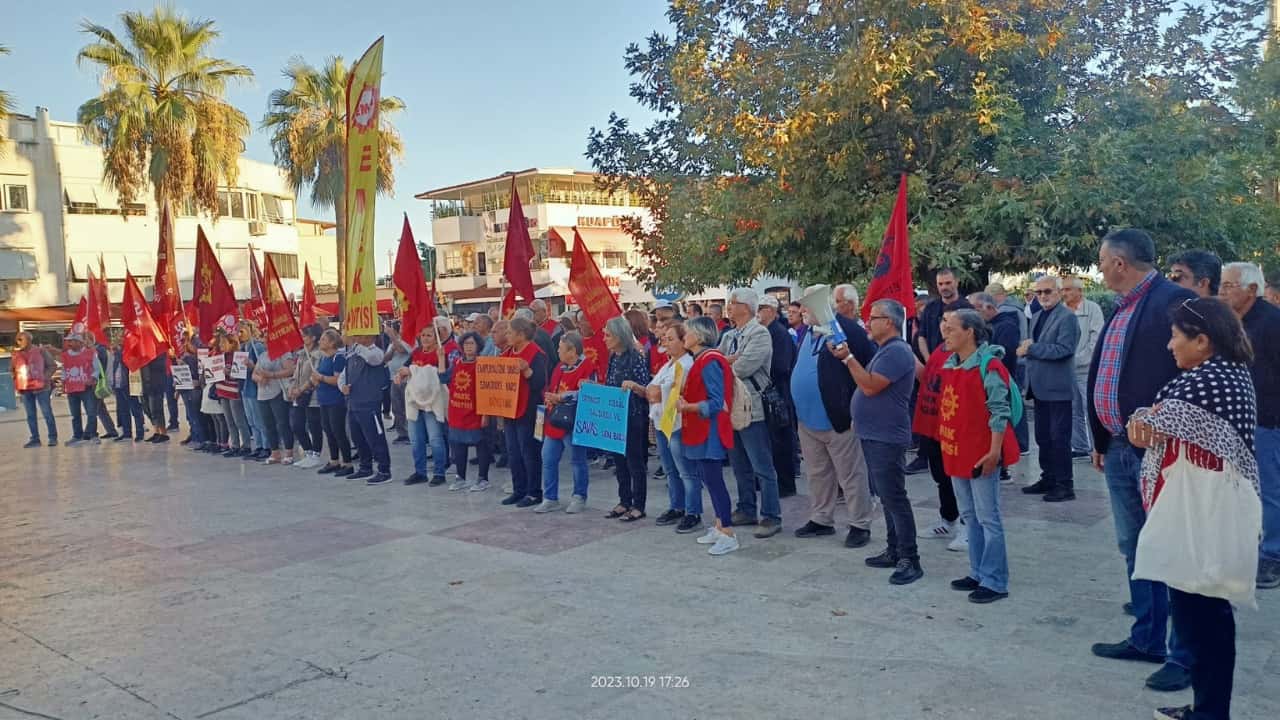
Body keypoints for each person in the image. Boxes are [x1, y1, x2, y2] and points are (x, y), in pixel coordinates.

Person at [1125, 297, 1259, 720]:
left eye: (1175, 336)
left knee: (1204, 616)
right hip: (1203, 505)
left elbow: (1148, 425)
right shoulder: (1222, 372)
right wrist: (1143, 422)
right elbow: (1148, 424)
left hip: (1205, 510)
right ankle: (1207, 707)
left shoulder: (1209, 381)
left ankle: (1211, 712)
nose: (1170, 345)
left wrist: (1142, 421)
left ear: (1202, 340)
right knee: (1201, 614)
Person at [1088, 228, 1196, 693]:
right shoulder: (1122, 306)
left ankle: (1184, 656)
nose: (1099, 270)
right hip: (1118, 446)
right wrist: (1100, 437)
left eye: (1101, 261)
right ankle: (1147, 638)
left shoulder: (1176, 302)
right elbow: (1108, 372)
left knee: (1172, 550)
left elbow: (1197, 370)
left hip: (1161, 451)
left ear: (1119, 263)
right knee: (1135, 547)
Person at [833, 299, 923, 585]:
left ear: (890, 322)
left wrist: (848, 358)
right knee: (887, 496)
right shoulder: (886, 349)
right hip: (874, 433)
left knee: (894, 497)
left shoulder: (896, 351)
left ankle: (910, 558)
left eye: (874, 318)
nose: (868, 322)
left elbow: (871, 386)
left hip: (886, 435)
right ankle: (894, 549)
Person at [939, 309, 1021, 603]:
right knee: (970, 516)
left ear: (969, 332)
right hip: (958, 452)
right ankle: (977, 571)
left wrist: (994, 452)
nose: (945, 333)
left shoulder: (990, 366)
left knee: (988, 518)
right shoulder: (952, 365)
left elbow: (999, 411)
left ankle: (995, 580)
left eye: (951, 328)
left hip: (981, 454)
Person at [791, 284, 877, 549]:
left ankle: (860, 523)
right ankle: (822, 518)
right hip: (808, 419)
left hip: (838, 418)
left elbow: (867, 368)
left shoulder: (849, 330)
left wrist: (855, 408)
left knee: (851, 475)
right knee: (817, 473)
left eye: (807, 305)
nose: (802, 311)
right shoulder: (808, 331)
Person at [1218, 261, 1280, 589]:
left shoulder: (1272, 323)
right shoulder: (1232, 322)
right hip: (1236, 421)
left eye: (1229, 286)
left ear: (1252, 290)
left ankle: (1273, 555)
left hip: (1266, 422)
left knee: (1269, 489)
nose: (1221, 291)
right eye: (1222, 285)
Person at [718, 287, 782, 537]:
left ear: (746, 307)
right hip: (731, 406)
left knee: (761, 465)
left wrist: (729, 361)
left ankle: (771, 515)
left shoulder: (760, 333)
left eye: (733, 302)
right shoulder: (729, 335)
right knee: (739, 463)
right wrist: (729, 360)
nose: (729, 306)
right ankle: (746, 508)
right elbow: (715, 364)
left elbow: (743, 367)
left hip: (752, 406)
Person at [678, 316, 739, 556]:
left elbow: (717, 401)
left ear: (699, 335)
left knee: (714, 480)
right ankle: (720, 525)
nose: (684, 336)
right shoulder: (702, 359)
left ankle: (728, 532)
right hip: (701, 428)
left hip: (710, 430)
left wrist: (689, 407)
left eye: (687, 332)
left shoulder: (710, 360)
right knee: (708, 478)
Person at [1018, 276, 1080, 502]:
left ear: (1058, 292)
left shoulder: (1067, 317)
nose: (1042, 296)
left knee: (1059, 439)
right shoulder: (1036, 317)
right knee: (1043, 437)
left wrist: (1032, 349)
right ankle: (1048, 478)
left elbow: (1064, 349)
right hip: (1039, 387)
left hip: (1058, 388)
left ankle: (1064, 484)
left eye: (1047, 291)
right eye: (1039, 292)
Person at [970, 291, 1026, 481]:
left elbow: (1006, 355)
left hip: (999, 378)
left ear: (988, 307)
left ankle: (1002, 464)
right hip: (988, 377)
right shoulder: (989, 325)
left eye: (975, 309)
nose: (973, 314)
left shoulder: (1007, 325)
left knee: (1000, 420)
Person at [648, 323, 700, 530]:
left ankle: (693, 512)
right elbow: (651, 389)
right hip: (662, 421)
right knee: (670, 469)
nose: (666, 343)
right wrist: (655, 391)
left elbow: (662, 392)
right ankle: (677, 506)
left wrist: (656, 391)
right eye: (665, 339)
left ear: (683, 342)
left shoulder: (686, 364)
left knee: (686, 470)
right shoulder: (669, 363)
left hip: (677, 423)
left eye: (671, 339)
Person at [538, 332, 596, 513]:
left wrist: (563, 397)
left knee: (577, 460)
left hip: (574, 421)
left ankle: (579, 496)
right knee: (548, 458)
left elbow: (590, 393)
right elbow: (552, 387)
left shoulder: (588, 366)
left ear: (572, 351)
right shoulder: (559, 367)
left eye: (561, 348)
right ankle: (550, 497)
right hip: (555, 420)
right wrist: (550, 397)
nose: (557, 351)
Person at [604, 315, 653, 521]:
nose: (605, 339)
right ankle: (624, 500)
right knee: (619, 462)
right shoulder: (613, 357)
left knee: (635, 462)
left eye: (608, 335)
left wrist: (633, 385)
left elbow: (646, 390)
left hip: (633, 415)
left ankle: (638, 504)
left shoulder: (635, 357)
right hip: (615, 416)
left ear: (619, 336)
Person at [500, 318, 550, 507]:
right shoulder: (507, 353)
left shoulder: (536, 354)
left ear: (521, 335)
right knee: (513, 452)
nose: (506, 335)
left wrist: (527, 371)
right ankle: (518, 489)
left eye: (509, 332)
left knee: (529, 452)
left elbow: (539, 383)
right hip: (510, 409)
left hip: (530, 411)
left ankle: (534, 492)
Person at [398, 325, 450, 486]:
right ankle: (420, 472)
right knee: (416, 440)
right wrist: (401, 373)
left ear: (436, 338)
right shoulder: (416, 352)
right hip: (415, 402)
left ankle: (439, 473)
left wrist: (414, 370)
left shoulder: (440, 353)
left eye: (429, 335)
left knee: (435, 439)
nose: (425, 338)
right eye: (423, 335)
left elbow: (441, 376)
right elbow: (405, 368)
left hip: (432, 403)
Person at [758, 294, 798, 497]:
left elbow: (782, 366)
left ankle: (785, 484)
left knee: (780, 440)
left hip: (778, 393)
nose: (757, 313)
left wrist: (759, 367)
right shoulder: (764, 331)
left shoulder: (779, 333)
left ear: (770, 311)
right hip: (767, 392)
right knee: (769, 440)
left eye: (760, 308)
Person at [1062, 277, 1105, 459]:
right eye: (1063, 290)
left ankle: (1098, 449)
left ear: (1080, 291)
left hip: (1087, 369)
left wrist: (1078, 360)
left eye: (1068, 289)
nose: (1064, 293)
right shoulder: (1062, 310)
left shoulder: (1092, 309)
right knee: (1073, 409)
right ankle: (1079, 446)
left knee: (1091, 410)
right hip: (1066, 369)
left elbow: (1097, 340)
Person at [342, 334, 392, 484]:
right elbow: (344, 375)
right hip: (353, 402)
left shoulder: (376, 352)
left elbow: (372, 359)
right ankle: (365, 467)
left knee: (375, 438)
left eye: (361, 335)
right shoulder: (352, 354)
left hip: (370, 402)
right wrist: (342, 386)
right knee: (358, 437)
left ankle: (384, 470)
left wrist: (356, 345)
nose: (357, 338)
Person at [446, 332, 491, 492]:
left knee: (481, 444)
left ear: (478, 346)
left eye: (472, 343)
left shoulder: (483, 364)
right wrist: (440, 358)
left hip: (476, 411)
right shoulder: (456, 362)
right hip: (457, 410)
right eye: (466, 344)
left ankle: (483, 478)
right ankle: (460, 477)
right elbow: (443, 379)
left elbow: (487, 390)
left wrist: (486, 413)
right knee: (458, 444)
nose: (468, 347)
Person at [312, 329, 353, 476]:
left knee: (338, 431)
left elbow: (337, 380)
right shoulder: (324, 358)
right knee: (328, 431)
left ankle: (347, 462)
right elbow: (320, 378)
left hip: (336, 400)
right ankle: (334, 460)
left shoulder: (338, 358)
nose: (320, 341)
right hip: (324, 399)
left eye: (323, 339)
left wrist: (321, 378)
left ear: (332, 342)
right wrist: (315, 380)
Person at [253, 343, 297, 465]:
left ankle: (288, 452)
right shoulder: (262, 355)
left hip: (278, 392)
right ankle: (275, 452)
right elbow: (254, 374)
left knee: (282, 423)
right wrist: (260, 378)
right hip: (263, 394)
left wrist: (272, 375)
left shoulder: (283, 353)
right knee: (268, 424)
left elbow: (291, 370)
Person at [288, 325, 325, 469]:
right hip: (298, 394)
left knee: (314, 425)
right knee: (296, 425)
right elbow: (296, 374)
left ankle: (316, 454)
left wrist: (301, 389)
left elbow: (314, 375)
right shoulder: (302, 354)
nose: (302, 338)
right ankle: (308, 452)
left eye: (304, 336)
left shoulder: (319, 354)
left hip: (312, 394)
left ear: (313, 337)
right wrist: (292, 387)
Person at [13, 331, 57, 447]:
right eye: (18, 340)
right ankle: (35, 439)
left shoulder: (41, 351)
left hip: (41, 388)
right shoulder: (16, 354)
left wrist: (45, 378)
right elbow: (13, 370)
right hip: (25, 389)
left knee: (47, 413)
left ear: (29, 340)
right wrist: (17, 383)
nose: (19, 342)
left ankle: (52, 437)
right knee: (30, 415)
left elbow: (52, 365)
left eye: (21, 339)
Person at [215, 320, 251, 457]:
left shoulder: (238, 355)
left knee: (239, 420)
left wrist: (230, 372)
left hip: (234, 392)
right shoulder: (220, 356)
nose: (221, 345)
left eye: (223, 343)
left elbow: (240, 375)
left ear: (231, 343)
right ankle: (234, 445)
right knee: (229, 421)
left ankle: (246, 445)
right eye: (220, 343)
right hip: (222, 391)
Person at [61, 327, 101, 446]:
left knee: (91, 412)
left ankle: (93, 435)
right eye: (68, 341)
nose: (69, 343)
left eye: (72, 341)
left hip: (86, 388)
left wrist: (93, 378)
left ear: (79, 342)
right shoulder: (65, 355)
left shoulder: (90, 353)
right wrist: (63, 383)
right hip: (71, 388)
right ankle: (77, 435)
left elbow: (97, 368)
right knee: (75, 414)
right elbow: (64, 370)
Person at [238, 322, 270, 459]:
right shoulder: (242, 347)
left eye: (242, 331)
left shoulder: (257, 346)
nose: (239, 334)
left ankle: (267, 446)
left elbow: (263, 365)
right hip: (245, 387)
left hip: (254, 387)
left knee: (259, 419)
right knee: (251, 420)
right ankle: (258, 445)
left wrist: (252, 366)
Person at [109, 334, 145, 442]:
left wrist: (119, 351)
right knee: (123, 410)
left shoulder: (127, 352)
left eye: (120, 340)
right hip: (119, 384)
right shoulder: (115, 354)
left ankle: (139, 432)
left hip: (129, 384)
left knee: (135, 409)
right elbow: (113, 368)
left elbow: (128, 362)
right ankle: (126, 433)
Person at [382, 320, 412, 444]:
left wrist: (392, 337)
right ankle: (402, 433)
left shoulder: (410, 341)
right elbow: (386, 358)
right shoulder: (393, 342)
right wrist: (392, 349)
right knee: (397, 407)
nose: (402, 329)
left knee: (406, 407)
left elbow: (401, 350)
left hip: (406, 379)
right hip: (394, 378)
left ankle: (410, 433)